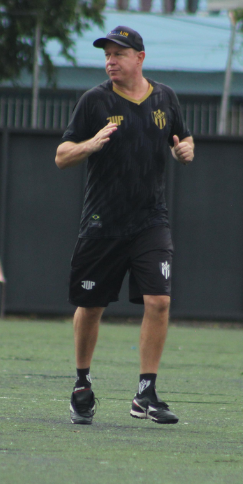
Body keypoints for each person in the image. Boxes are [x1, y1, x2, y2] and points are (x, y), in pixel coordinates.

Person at [55, 26, 194, 425]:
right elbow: (62, 156)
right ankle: (82, 382)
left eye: (119, 53)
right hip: (102, 222)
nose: (110, 61)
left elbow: (183, 138)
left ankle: (145, 392)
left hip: (151, 220)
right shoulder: (94, 101)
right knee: (91, 306)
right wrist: (90, 144)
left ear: (140, 58)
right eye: (107, 55)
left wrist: (186, 148)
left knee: (160, 301)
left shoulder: (165, 97)